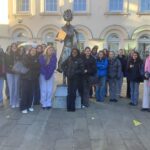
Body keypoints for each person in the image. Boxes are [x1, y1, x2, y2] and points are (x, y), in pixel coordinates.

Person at [56, 9, 79, 84]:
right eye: (66, 16)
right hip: (66, 48)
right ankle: (64, 81)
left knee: (72, 64)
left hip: (72, 48)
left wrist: (75, 47)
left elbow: (76, 40)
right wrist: (59, 37)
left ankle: (71, 80)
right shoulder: (63, 28)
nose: (68, 18)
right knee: (64, 63)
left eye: (69, 15)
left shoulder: (73, 28)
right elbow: (60, 40)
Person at [20, 47, 40, 114]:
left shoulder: (37, 58)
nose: (33, 52)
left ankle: (29, 106)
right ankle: (23, 107)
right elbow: (26, 64)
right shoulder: (25, 57)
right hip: (25, 78)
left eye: (34, 51)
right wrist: (34, 63)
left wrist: (33, 64)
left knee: (31, 93)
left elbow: (38, 66)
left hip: (33, 78)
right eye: (32, 50)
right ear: (29, 51)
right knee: (24, 93)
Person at [5, 43, 21, 108]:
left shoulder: (19, 54)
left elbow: (21, 63)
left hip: (17, 73)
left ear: (17, 47)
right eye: (13, 46)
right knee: (11, 87)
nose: (14, 47)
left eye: (15, 46)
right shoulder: (7, 54)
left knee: (17, 87)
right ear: (11, 47)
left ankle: (17, 101)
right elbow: (6, 64)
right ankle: (12, 102)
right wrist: (12, 68)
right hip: (10, 73)